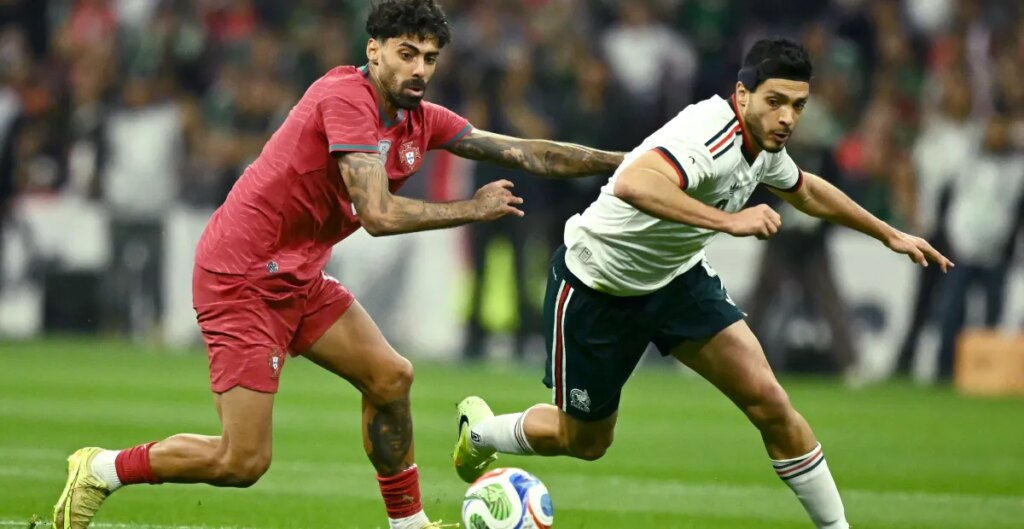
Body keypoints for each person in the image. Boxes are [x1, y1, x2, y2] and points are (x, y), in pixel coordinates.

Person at [51, 2, 623, 529]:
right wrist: (470, 209)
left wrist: (634, 164)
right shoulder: (345, 98)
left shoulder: (421, 120)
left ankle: (409, 524)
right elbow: (376, 214)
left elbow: (529, 151)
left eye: (429, 58)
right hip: (242, 277)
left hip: (297, 273)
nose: (419, 69)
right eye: (406, 54)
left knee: (390, 376)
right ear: (374, 51)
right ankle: (102, 468)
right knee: (242, 460)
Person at [454, 38, 952, 529]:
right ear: (742, 96)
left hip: (676, 282)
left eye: (797, 106)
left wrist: (889, 233)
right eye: (775, 102)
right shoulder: (706, 134)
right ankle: (481, 433)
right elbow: (633, 183)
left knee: (772, 404)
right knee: (584, 442)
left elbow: (805, 189)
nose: (786, 118)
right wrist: (727, 222)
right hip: (596, 288)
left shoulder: (764, 145)